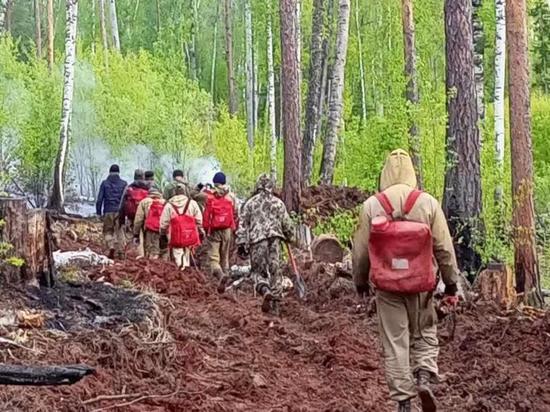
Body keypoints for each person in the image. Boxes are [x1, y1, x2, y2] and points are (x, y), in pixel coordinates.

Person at [352, 149, 459, 412]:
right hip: (421, 284)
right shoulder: (428, 203)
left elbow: (361, 251)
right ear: (412, 173)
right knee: (424, 333)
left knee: (395, 341)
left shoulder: (371, 206)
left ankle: (403, 401)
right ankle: (423, 376)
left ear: (385, 173)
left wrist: (360, 282)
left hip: (387, 287)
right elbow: (444, 248)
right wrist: (451, 283)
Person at [233, 174, 294, 313]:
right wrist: (290, 237)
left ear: (258, 185)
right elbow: (288, 225)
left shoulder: (250, 204)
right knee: (275, 271)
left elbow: (242, 225)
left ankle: (265, 290)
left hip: (257, 241)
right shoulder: (278, 203)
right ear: (271, 186)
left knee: (258, 272)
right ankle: (276, 306)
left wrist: (241, 243)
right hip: (275, 241)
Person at [202, 172, 238, 280]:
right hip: (227, 229)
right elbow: (235, 212)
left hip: (214, 229)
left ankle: (219, 275)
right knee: (225, 255)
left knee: (214, 258)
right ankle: (226, 275)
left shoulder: (209, 195)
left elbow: (206, 213)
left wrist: (205, 228)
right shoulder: (231, 196)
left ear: (214, 182)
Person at [160, 183, 203, 270]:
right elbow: (199, 220)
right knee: (187, 252)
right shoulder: (192, 203)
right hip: (190, 235)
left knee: (178, 254)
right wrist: (198, 229)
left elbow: (163, 223)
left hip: (175, 236)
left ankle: (181, 272)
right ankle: (187, 270)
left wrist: (163, 234)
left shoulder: (169, 205)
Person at [96, 165, 127, 259]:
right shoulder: (124, 184)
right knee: (120, 231)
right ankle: (121, 252)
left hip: (108, 211)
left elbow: (100, 199)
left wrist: (98, 212)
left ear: (109, 172)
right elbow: (126, 200)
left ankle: (111, 246)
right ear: (119, 172)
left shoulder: (104, 183)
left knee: (108, 231)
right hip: (119, 211)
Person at [133, 187, 166, 259]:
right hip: (164, 230)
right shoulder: (165, 202)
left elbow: (138, 219)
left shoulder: (144, 201)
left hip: (151, 229)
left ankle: (154, 266)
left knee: (152, 251)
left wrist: (136, 233)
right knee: (164, 250)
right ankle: (166, 266)